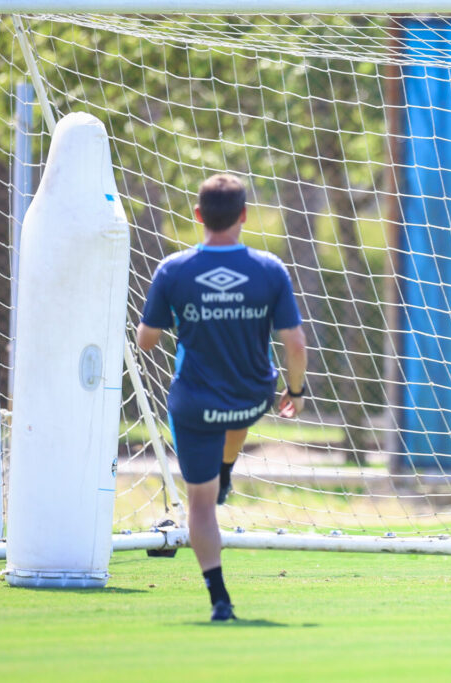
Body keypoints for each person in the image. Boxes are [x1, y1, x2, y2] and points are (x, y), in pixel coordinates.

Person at [137, 173, 308, 619]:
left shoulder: (173, 270)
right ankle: (227, 468)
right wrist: (296, 391)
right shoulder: (270, 269)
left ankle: (219, 599)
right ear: (244, 216)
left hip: (194, 402)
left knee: (200, 504)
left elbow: (146, 341)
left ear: (198, 216)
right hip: (253, 395)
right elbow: (295, 345)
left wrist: (183, 314)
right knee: (236, 411)